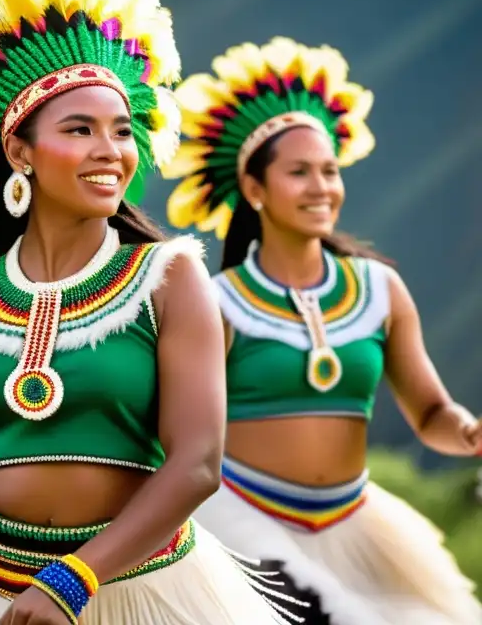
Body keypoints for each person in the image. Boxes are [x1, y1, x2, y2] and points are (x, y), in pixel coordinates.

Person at [0, 0, 302, 625]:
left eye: (123, 131)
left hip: (141, 592)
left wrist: (72, 582)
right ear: (18, 152)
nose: (110, 150)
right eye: (80, 129)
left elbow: (197, 464)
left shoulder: (168, 277)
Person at [162, 36, 482, 625]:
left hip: (353, 520)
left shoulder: (380, 290)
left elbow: (432, 412)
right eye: (300, 172)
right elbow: (182, 437)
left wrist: (469, 433)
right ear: (254, 190)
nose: (321, 187)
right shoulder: (219, 304)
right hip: (241, 517)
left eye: (330, 170)